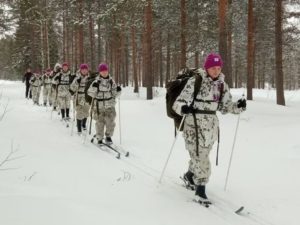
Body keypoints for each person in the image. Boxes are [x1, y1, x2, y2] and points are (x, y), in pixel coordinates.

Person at [172, 53, 247, 204]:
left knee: (201, 155)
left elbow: (226, 107)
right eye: (213, 67)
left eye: (218, 68)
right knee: (201, 157)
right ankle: (200, 190)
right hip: (193, 125)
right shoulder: (195, 81)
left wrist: (238, 107)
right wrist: (184, 108)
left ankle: (189, 175)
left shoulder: (222, 85)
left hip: (211, 128)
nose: (216, 71)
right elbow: (177, 103)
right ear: (207, 67)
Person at [87, 63, 121, 144]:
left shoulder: (111, 82)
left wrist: (118, 90)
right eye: (102, 71)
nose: (104, 72)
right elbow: (90, 93)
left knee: (110, 122)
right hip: (99, 106)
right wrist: (94, 87)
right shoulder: (96, 81)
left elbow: (115, 94)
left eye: (105, 71)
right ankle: (99, 137)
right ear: (100, 72)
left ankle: (108, 136)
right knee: (100, 123)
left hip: (110, 105)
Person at [70, 64, 90, 135]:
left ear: (87, 70)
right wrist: (76, 83)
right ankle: (79, 128)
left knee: (86, 112)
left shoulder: (89, 78)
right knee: (79, 112)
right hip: (78, 97)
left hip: (87, 97)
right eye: (83, 69)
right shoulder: (77, 78)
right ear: (80, 70)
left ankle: (83, 124)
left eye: (85, 69)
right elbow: (72, 88)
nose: (84, 71)